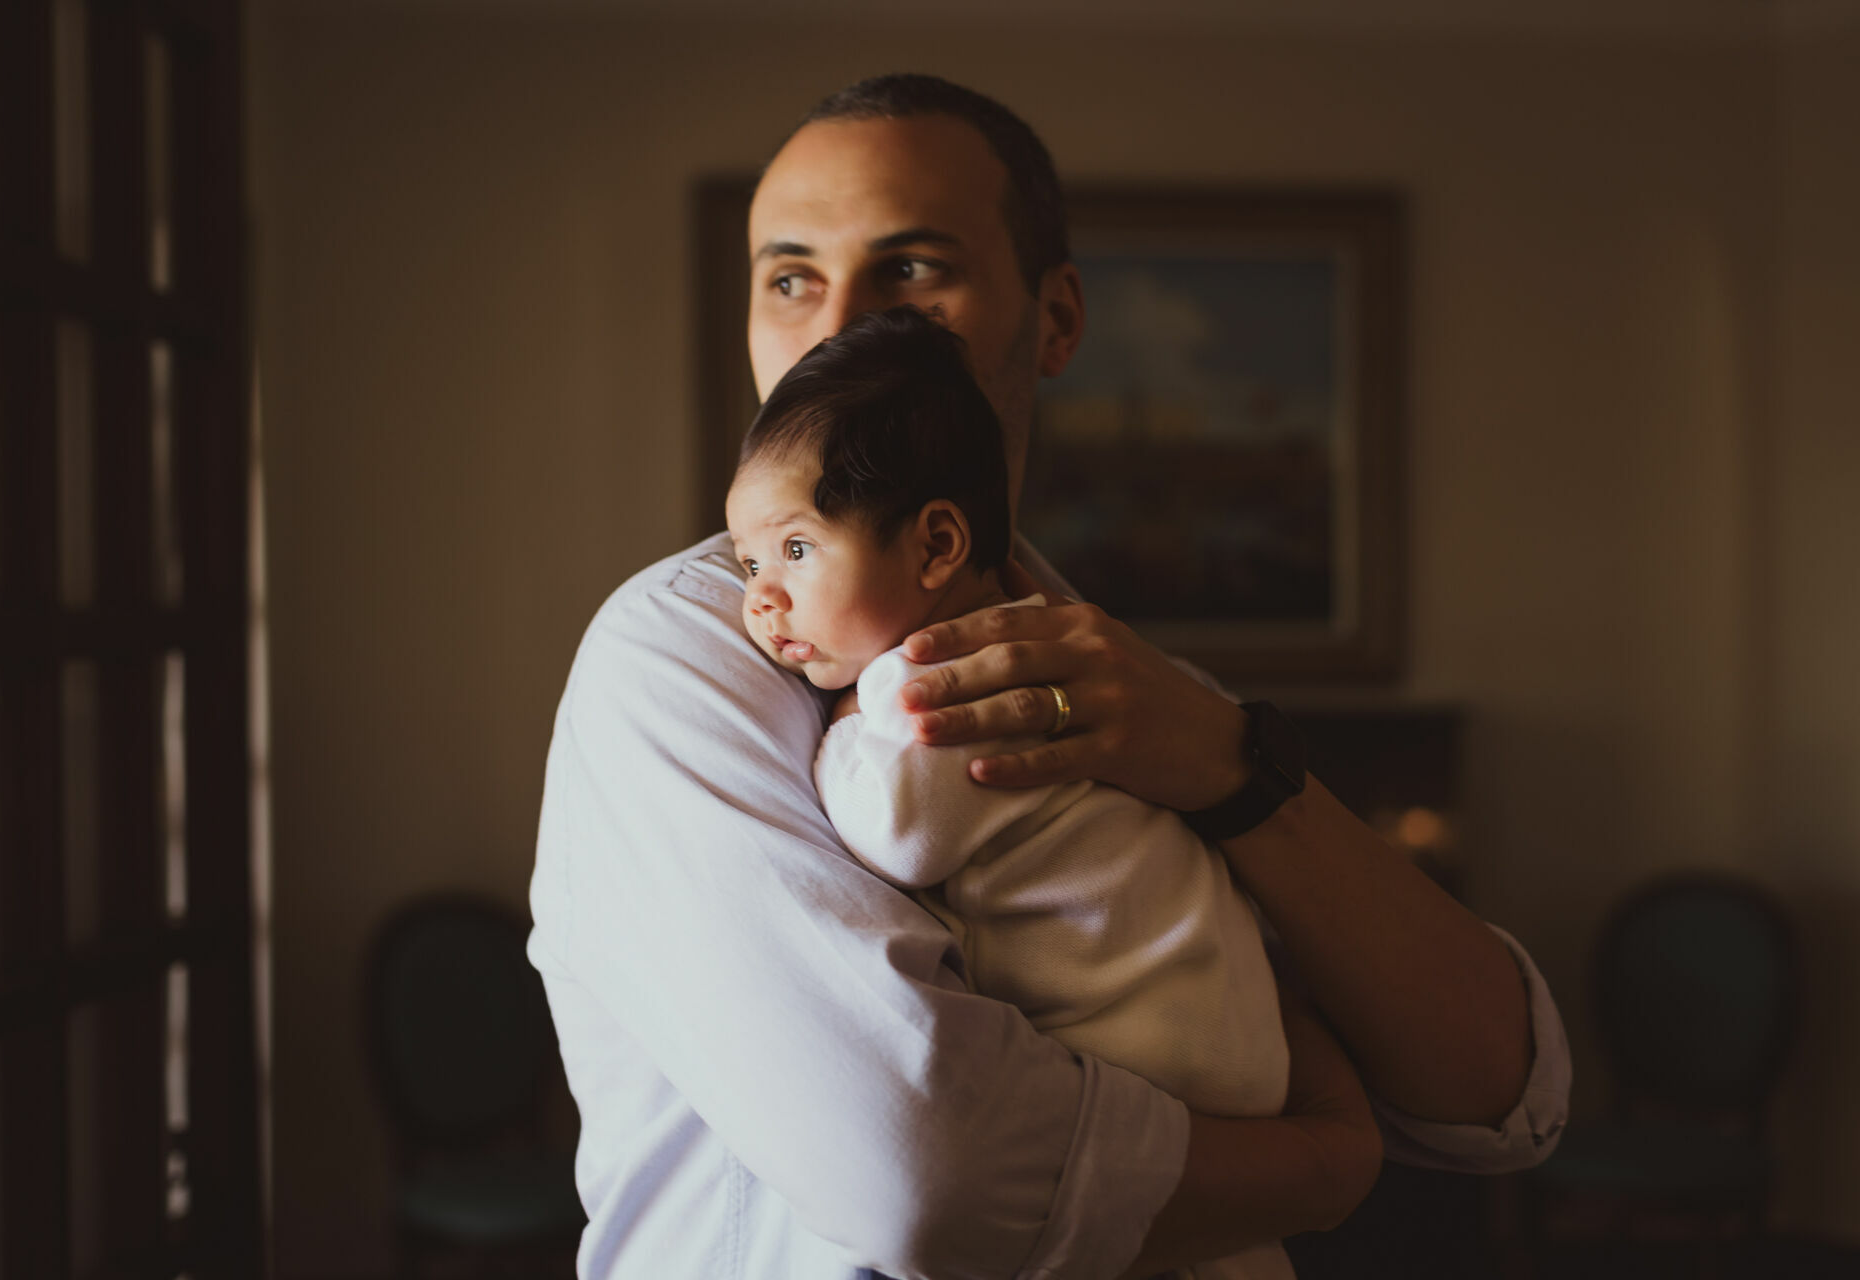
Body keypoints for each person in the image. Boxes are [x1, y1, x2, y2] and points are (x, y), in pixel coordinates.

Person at [529, 73, 1569, 1280]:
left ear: (1056, 317)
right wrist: (1318, 1162)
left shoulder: (1148, 698)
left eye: (913, 267)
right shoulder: (683, 657)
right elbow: (927, 1174)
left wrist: (1238, 769)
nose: (844, 326)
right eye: (791, 279)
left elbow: (1503, 1098)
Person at [730, 305, 1297, 1280]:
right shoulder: (1049, 640)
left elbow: (896, 831)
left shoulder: (948, 678)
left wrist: (838, 732)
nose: (760, 596)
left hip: (1153, 1057)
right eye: (746, 561)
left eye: (796, 549)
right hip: (1208, 1047)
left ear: (936, 546)